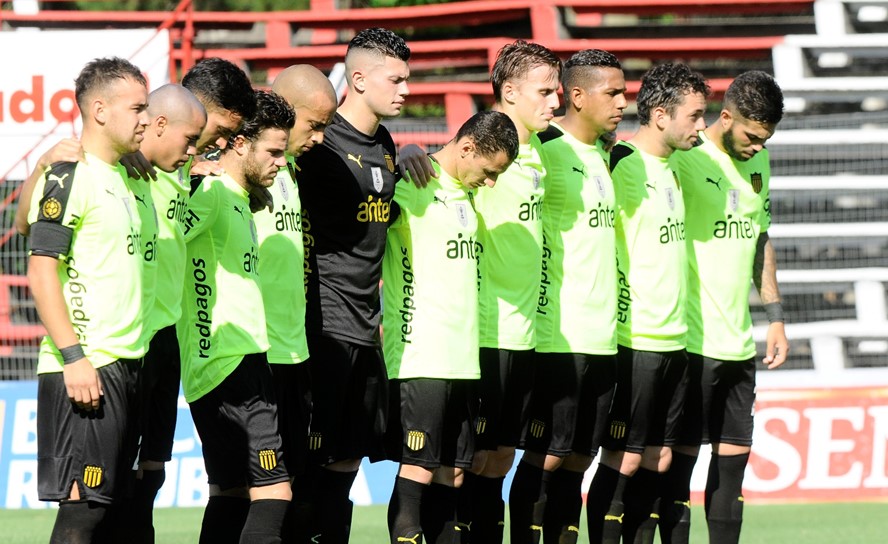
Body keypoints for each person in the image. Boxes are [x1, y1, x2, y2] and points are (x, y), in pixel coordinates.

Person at [661, 70, 789, 544]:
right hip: (691, 343)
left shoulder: (761, 163)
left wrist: (774, 317)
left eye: (765, 139)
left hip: (739, 344)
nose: (757, 147)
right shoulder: (685, 159)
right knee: (678, 472)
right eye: (752, 136)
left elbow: (760, 237)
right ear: (727, 116)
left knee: (732, 476)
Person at [294, 27, 410, 544]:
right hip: (323, 324)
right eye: (396, 78)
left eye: (408, 78)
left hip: (369, 325)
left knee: (346, 461)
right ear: (358, 79)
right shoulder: (318, 142)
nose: (406, 88)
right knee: (310, 468)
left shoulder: (384, 142)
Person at [134, 57, 257, 542]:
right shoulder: (131, 163)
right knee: (115, 487)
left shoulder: (191, 173)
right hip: (126, 344)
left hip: (167, 342)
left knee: (151, 473)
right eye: (218, 129)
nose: (223, 141)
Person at [26, 56, 149, 543]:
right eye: (137, 108)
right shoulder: (69, 175)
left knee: (114, 513)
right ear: (99, 110)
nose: (145, 118)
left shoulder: (122, 176)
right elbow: (40, 269)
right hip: (86, 369)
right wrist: (74, 356)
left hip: (125, 366)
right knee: (83, 514)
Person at [585, 62, 709, 544]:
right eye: (695, 116)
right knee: (625, 457)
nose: (701, 126)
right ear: (660, 115)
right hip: (633, 338)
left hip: (675, 338)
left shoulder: (674, 165)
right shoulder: (617, 162)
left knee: (659, 457)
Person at [384, 109, 518, 544]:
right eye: (490, 170)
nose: (492, 182)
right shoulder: (414, 183)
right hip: (421, 353)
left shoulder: (465, 194)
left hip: (463, 359)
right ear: (466, 148)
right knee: (418, 468)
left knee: (455, 474)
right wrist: (398, 155)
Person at [177, 89, 295, 543]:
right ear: (240, 143)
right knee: (274, 491)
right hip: (232, 362)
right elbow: (169, 238)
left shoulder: (237, 197)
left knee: (229, 491)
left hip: (218, 364)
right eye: (274, 152)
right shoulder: (213, 193)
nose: (281, 163)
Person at [519, 49, 627, 544]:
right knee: (547, 458)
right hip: (556, 335)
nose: (624, 102)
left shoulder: (607, 154)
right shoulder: (542, 145)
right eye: (614, 93)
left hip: (604, 335)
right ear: (577, 96)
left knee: (580, 460)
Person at [459, 40, 561, 544]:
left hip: (526, 334)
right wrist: (409, 153)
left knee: (500, 458)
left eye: (557, 91)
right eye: (544, 92)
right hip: (483, 332)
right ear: (509, 91)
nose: (555, 102)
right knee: (467, 463)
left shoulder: (540, 149)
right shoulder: (479, 147)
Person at [255, 64, 337, 540]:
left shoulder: (291, 170)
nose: (321, 138)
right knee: (255, 492)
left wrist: (409, 149)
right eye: (314, 125)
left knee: (297, 490)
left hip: (295, 352)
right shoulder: (237, 172)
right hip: (255, 356)